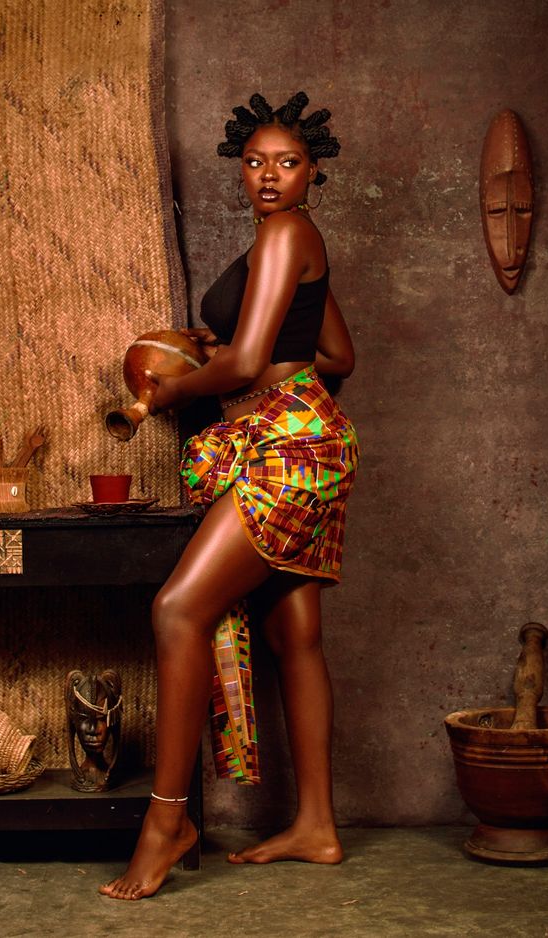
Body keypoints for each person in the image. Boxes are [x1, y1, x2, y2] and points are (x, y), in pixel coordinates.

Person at [100, 91, 359, 901]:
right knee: (296, 636)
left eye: (287, 163)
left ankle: (168, 820)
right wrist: (248, 340)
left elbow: (246, 368)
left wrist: (167, 393)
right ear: (239, 173)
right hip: (310, 436)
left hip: (287, 446)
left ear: (314, 170)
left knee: (178, 610)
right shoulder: (286, 247)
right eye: (255, 163)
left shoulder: (286, 232)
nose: (270, 177)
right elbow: (338, 355)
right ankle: (315, 824)